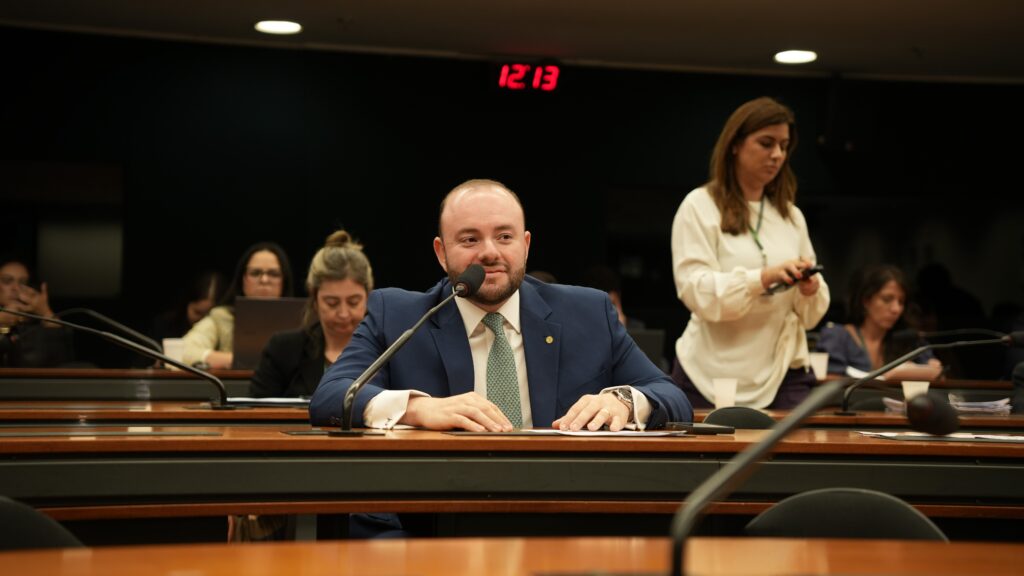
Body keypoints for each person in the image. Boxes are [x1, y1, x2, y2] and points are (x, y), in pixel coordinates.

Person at [310, 179, 693, 432]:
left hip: (558, 510)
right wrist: (417, 410)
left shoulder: (588, 313)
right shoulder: (398, 315)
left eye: (504, 237)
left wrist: (623, 401)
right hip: (433, 511)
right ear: (441, 253)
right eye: (470, 239)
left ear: (525, 246)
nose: (489, 253)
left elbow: (672, 397)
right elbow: (331, 396)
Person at [670, 97, 830, 410]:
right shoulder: (699, 205)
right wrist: (763, 278)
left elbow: (810, 317)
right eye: (766, 143)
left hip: (782, 370)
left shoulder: (791, 216)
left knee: (800, 443)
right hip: (708, 373)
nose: (777, 155)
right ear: (735, 145)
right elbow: (695, 291)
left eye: (784, 146)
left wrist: (809, 288)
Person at [250, 230, 372, 397]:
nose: (343, 314)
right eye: (332, 303)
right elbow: (256, 410)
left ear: (368, 297)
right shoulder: (283, 349)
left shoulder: (389, 351)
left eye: (353, 302)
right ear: (315, 299)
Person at [182, 242, 294, 368]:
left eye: (273, 274)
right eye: (255, 273)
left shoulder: (301, 320)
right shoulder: (222, 318)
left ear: (284, 280)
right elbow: (184, 351)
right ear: (243, 279)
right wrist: (239, 360)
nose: (264, 280)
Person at [817, 264, 941, 377]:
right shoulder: (837, 337)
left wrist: (931, 368)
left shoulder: (908, 340)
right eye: (887, 299)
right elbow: (828, 383)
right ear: (866, 301)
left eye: (901, 302)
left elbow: (938, 375)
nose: (896, 309)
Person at [0, 257, 75, 367]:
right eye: (7, 281)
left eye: (22, 282)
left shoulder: (35, 324)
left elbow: (62, 359)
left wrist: (45, 312)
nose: (15, 287)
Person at [150, 271, 227, 343]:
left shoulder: (226, 336)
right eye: (198, 313)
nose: (202, 322)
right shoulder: (164, 325)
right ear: (187, 305)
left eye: (208, 315)